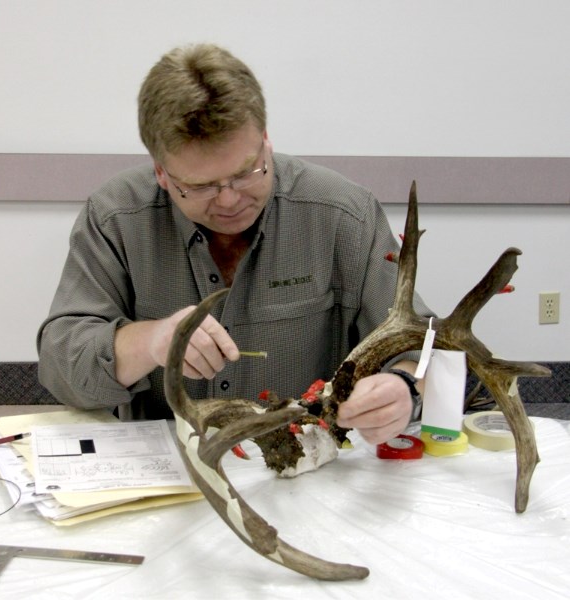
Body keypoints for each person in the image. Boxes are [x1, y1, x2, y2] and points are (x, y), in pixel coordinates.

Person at [37, 43, 432, 445]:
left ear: (266, 140)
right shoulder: (117, 217)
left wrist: (405, 388)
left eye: (247, 173)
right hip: (172, 479)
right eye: (200, 185)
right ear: (161, 172)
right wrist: (151, 341)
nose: (228, 200)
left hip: (308, 468)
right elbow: (60, 368)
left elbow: (423, 342)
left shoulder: (343, 214)